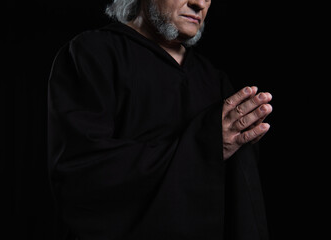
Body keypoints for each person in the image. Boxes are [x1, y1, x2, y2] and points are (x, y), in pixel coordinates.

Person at [47, 0, 273, 239]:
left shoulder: (216, 82)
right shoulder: (93, 53)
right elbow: (82, 177)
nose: (199, 4)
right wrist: (205, 146)